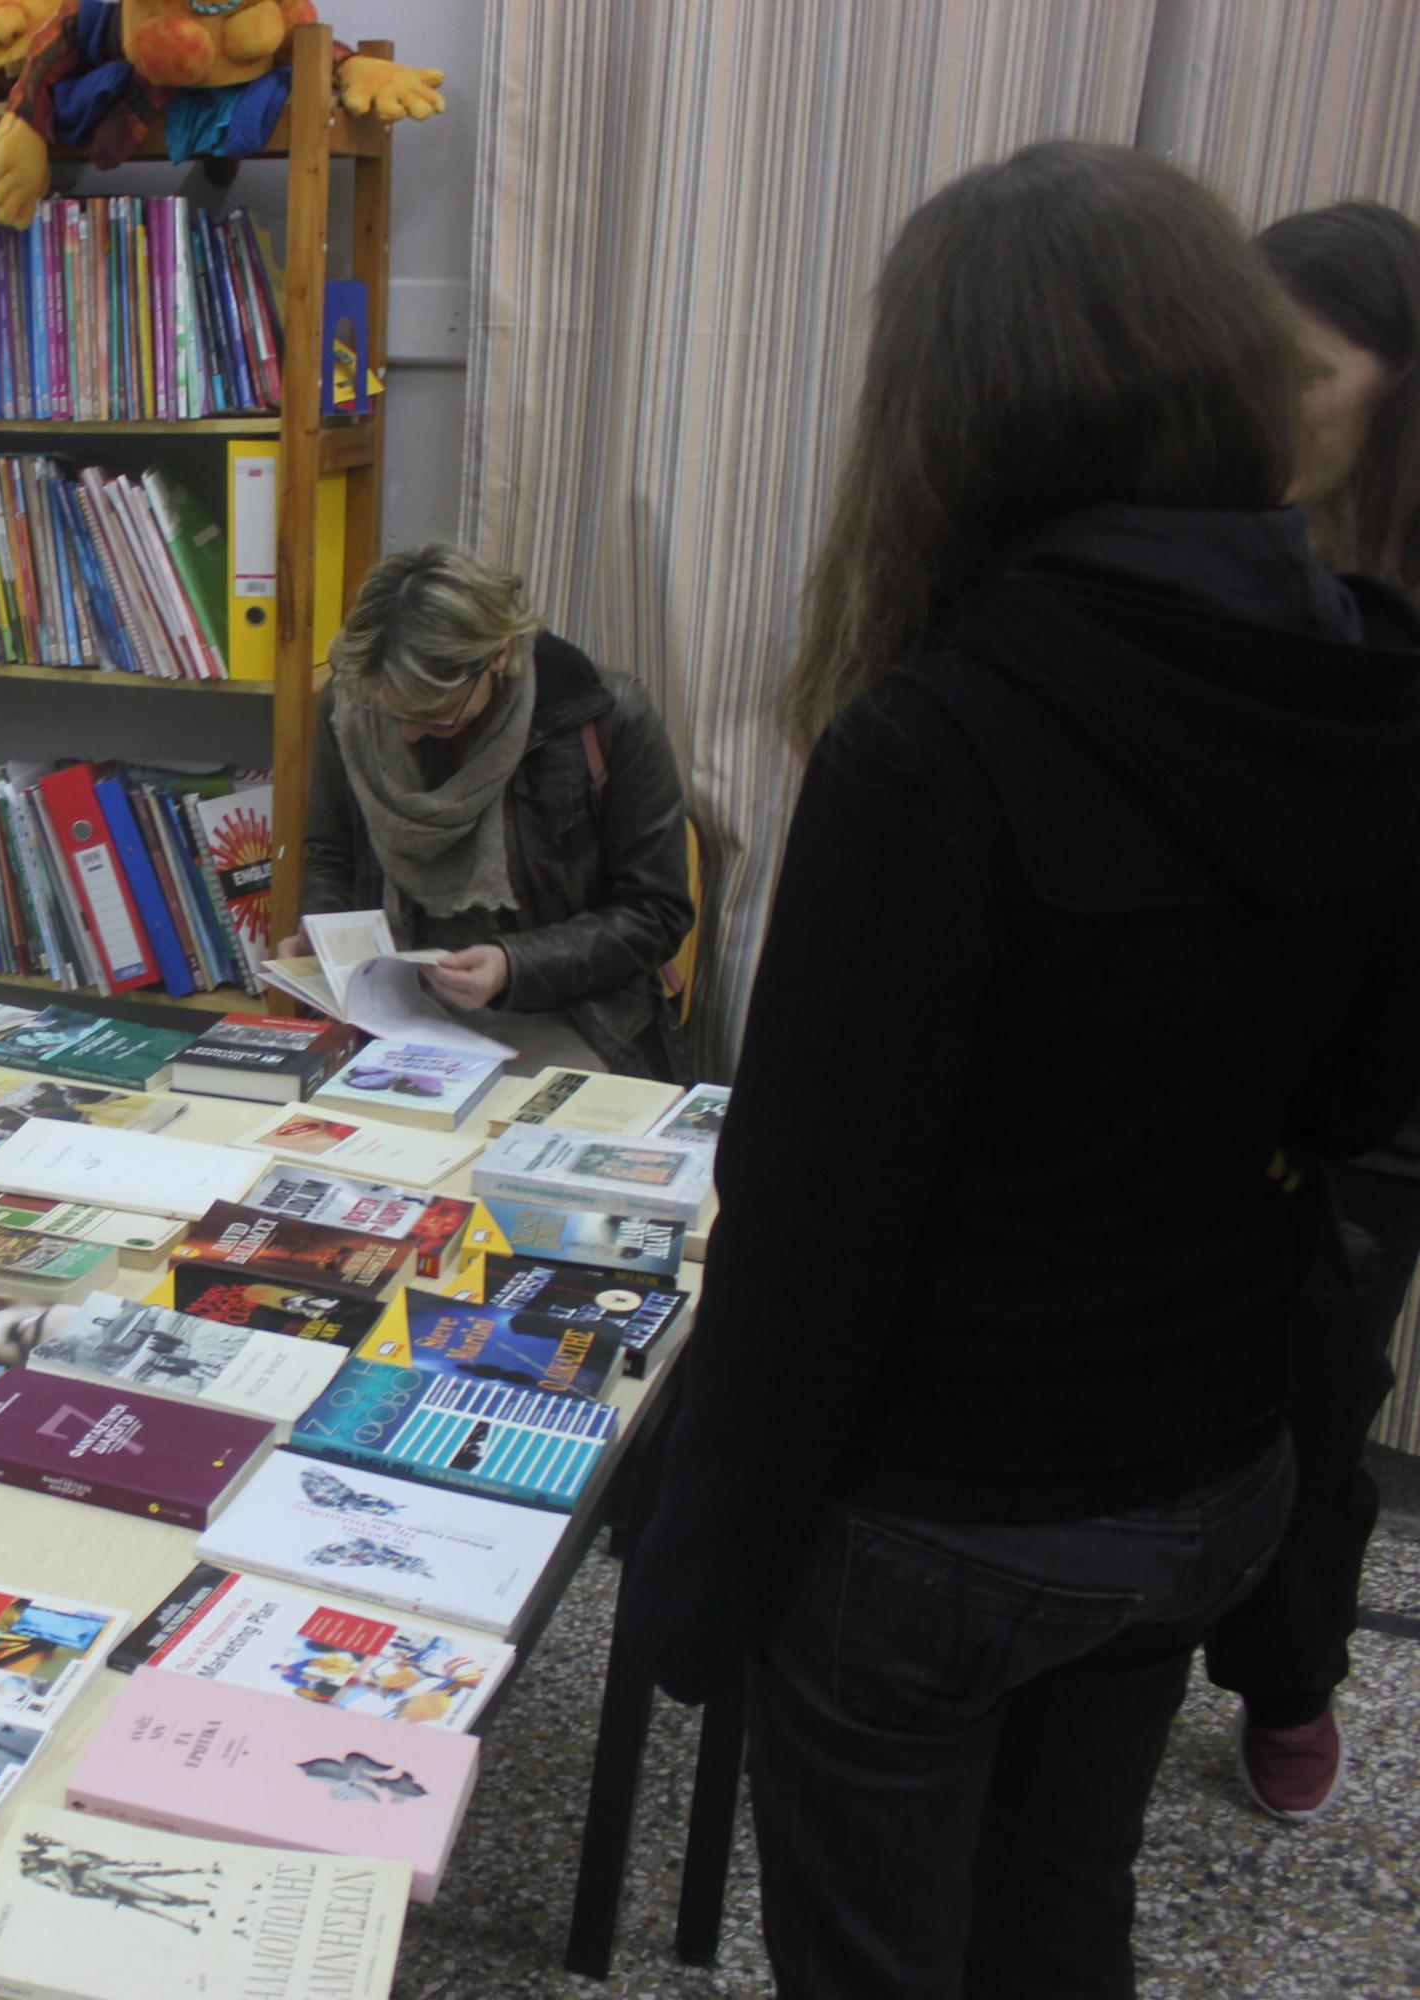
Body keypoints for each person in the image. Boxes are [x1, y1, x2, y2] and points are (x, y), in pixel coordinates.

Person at [614, 142, 1420, 1999]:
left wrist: (696, 1575)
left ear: (952, 415)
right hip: (1207, 1468)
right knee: (1063, 1910)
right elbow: (1358, 1101)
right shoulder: (1364, 675)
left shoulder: (934, 744)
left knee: (878, 1952)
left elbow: (810, 1224)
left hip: (948, 1509)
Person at [1201, 199, 1420, 1824]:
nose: (1264, 406)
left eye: (1305, 370)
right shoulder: (1217, 550)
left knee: (1320, 1392)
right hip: (1212, 1056)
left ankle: (1290, 1678)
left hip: (1374, 1089)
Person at [302, 544, 695, 1079]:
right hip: (392, 1007)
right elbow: (332, 854)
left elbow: (655, 912)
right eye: (387, 711)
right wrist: (322, 937)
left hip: (567, 1012)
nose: (406, 733)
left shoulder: (604, 716)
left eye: (435, 713)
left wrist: (515, 964)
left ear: (500, 655)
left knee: (509, 1125)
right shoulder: (351, 706)